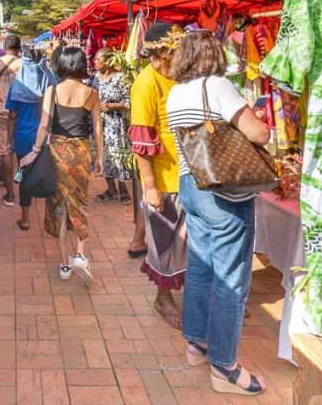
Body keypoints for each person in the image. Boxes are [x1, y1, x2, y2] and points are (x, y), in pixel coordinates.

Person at [167, 30, 270, 396]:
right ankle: (224, 364)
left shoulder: (176, 92)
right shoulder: (218, 86)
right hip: (223, 190)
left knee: (202, 266)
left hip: (190, 185)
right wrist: (261, 121)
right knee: (231, 278)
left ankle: (197, 342)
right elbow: (257, 133)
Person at [21, 47, 103, 284]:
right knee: (79, 203)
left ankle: (65, 263)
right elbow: (97, 128)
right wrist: (100, 157)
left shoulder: (52, 90)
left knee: (58, 205)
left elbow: (43, 125)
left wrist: (35, 151)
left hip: (57, 153)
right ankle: (80, 255)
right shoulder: (91, 93)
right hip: (81, 152)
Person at [129, 23, 187, 327]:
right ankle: (163, 298)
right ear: (164, 51)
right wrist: (150, 187)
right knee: (164, 241)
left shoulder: (180, 76)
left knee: (189, 242)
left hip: (188, 173)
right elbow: (141, 141)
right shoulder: (145, 84)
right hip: (164, 178)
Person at [6, 49, 55, 231]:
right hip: (48, 137)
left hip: (24, 138)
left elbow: (12, 115)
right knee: (49, 174)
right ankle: (52, 216)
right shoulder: (50, 82)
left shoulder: (18, 84)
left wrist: (10, 140)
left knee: (25, 177)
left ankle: (25, 219)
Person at [93, 49, 132, 204]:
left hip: (116, 125)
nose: (95, 62)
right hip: (99, 124)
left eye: (98, 59)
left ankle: (123, 189)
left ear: (108, 61)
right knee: (104, 155)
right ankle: (111, 189)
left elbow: (128, 101)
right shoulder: (95, 78)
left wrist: (112, 105)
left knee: (117, 156)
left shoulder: (120, 77)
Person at [0, 35, 23, 207]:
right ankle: (25, 190)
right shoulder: (24, 64)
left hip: (1, 111)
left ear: (4, 46)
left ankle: (10, 194)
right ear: (19, 48)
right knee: (22, 149)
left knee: (4, 150)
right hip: (21, 111)